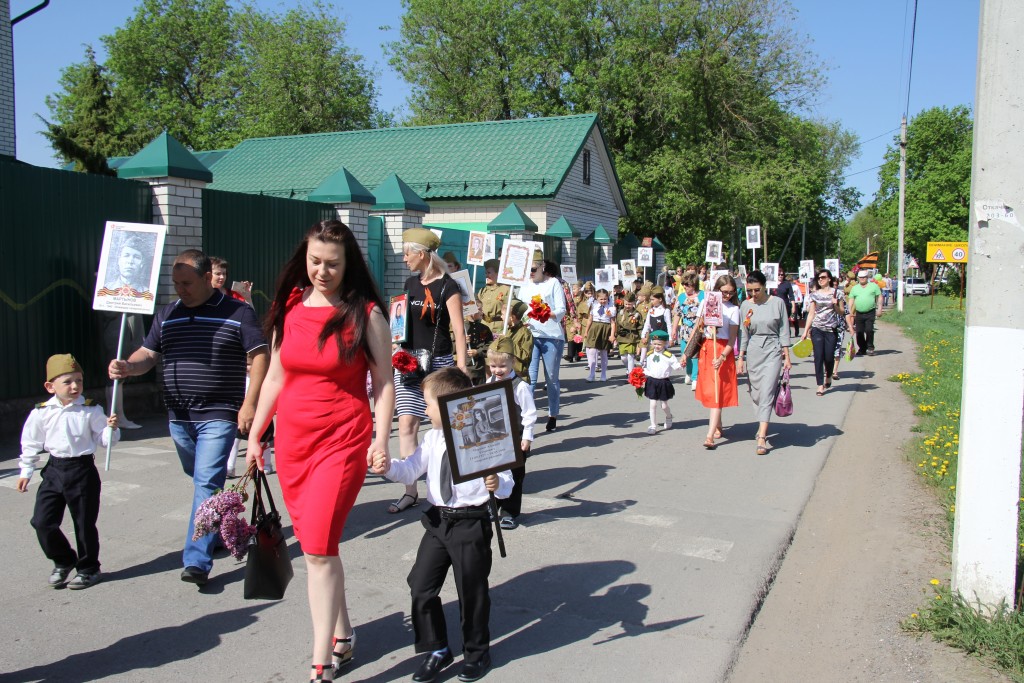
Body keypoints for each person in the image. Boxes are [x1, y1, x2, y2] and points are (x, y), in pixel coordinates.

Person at [245, 220, 394, 682]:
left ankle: (320, 660)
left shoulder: (364, 313)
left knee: (317, 550)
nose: (321, 271)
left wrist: (381, 439)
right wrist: (256, 433)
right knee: (320, 547)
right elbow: (275, 376)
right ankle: (343, 631)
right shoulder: (289, 309)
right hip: (293, 442)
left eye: (332, 264)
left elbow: (385, 383)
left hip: (342, 440)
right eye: (314, 262)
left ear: (348, 265)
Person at [109, 249, 269, 585]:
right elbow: (148, 354)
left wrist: (250, 404)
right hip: (179, 415)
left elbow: (259, 357)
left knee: (206, 482)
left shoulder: (237, 312)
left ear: (207, 278)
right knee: (199, 478)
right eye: (175, 282)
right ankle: (219, 524)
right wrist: (128, 366)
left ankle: (197, 560)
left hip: (219, 412)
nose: (180, 289)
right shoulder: (168, 313)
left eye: (187, 283)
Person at [370, 368, 512, 683]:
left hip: (470, 523)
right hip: (437, 520)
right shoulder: (432, 438)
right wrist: (387, 467)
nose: (424, 409)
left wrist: (495, 482)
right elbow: (410, 471)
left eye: (429, 404)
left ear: (449, 405)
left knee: (471, 592)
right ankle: (437, 648)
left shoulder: (482, 435)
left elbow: (506, 483)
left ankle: (477, 653)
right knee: (420, 585)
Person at [17, 354, 120, 590]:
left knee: (84, 524)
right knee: (42, 521)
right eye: (68, 382)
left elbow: (105, 440)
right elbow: (31, 442)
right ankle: (63, 560)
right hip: (54, 469)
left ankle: (88, 568)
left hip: (82, 470)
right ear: (50, 386)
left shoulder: (90, 409)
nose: (75, 386)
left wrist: (111, 429)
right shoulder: (41, 412)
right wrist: (26, 471)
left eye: (79, 381)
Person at [389, 228, 468, 514]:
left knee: (444, 426)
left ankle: (446, 484)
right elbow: (399, 325)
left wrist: (461, 369)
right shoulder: (410, 283)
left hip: (439, 365)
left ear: (422, 254)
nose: (404, 258)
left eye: (407, 253)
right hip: (409, 363)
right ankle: (410, 490)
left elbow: (459, 332)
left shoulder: (449, 286)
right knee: (408, 424)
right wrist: (394, 351)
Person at [737, 271, 792, 455]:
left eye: (757, 290)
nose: (753, 294)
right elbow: (743, 333)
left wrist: (786, 354)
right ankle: (762, 422)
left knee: (768, 390)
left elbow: (784, 329)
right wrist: (741, 358)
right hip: (753, 350)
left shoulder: (777, 303)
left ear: (764, 286)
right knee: (756, 393)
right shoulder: (745, 305)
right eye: (750, 290)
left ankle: (762, 436)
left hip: (773, 348)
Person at [487, 337, 536, 530]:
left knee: (515, 475)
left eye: (502, 366)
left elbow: (529, 413)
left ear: (512, 363)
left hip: (515, 437)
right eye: (493, 366)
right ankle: (493, 505)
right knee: (494, 473)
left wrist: (527, 436)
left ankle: (509, 512)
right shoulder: (490, 380)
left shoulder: (520, 386)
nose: (497, 370)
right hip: (494, 437)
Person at [517, 257, 566, 432]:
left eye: (533, 269)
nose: (530, 273)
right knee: (529, 379)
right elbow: (519, 308)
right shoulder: (524, 285)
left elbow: (561, 309)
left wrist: (546, 313)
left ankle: (552, 414)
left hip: (551, 335)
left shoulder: (553, 283)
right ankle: (526, 418)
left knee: (551, 378)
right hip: (530, 335)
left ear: (541, 267)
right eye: (528, 270)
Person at [695, 276, 740, 449]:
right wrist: (707, 321)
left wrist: (722, 357)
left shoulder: (734, 309)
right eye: (724, 292)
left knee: (717, 393)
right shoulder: (707, 303)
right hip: (708, 346)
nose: (727, 295)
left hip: (722, 351)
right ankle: (718, 425)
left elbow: (733, 338)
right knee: (711, 391)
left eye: (731, 292)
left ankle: (709, 435)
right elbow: (698, 328)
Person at [799, 269, 849, 396]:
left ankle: (829, 376)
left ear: (829, 279)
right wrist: (805, 331)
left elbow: (842, 312)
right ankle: (820, 384)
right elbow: (811, 313)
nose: (820, 280)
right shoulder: (814, 294)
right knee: (818, 357)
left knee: (828, 356)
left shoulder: (837, 293)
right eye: (819, 278)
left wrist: (835, 305)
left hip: (831, 329)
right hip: (817, 328)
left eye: (823, 277)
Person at [643, 330, 681, 434]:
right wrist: (643, 372)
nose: (657, 346)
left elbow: (676, 366)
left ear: (665, 343)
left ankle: (669, 417)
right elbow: (646, 366)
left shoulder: (668, 356)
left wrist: (681, 365)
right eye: (654, 344)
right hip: (652, 381)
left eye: (659, 344)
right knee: (653, 404)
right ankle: (653, 426)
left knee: (664, 405)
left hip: (663, 382)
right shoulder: (649, 354)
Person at [673, 273, 703, 388]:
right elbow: (677, 313)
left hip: (698, 330)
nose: (685, 286)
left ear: (694, 285)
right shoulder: (681, 297)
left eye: (687, 284)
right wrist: (674, 329)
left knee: (695, 355)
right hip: (685, 330)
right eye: (683, 284)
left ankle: (695, 378)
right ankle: (689, 373)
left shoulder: (702, 296)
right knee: (685, 352)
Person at [582, 287, 616, 382]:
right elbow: (590, 319)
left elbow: (613, 323)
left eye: (605, 299)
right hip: (594, 328)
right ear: (597, 298)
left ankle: (603, 374)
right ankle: (592, 374)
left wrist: (612, 335)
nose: (603, 301)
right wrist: (586, 331)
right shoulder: (594, 306)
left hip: (605, 329)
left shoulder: (611, 308)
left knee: (603, 353)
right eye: (601, 299)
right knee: (592, 351)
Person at [849, 270, 884, 356]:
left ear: (867, 278)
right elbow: (851, 299)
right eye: (860, 277)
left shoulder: (873, 286)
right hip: (859, 313)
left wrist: (879, 309)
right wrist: (849, 311)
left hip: (870, 312)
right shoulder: (855, 288)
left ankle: (870, 347)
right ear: (858, 278)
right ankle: (862, 348)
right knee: (859, 332)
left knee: (869, 330)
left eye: (864, 277)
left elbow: (879, 297)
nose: (862, 279)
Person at [476, 259, 510, 337]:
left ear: (498, 273)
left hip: (498, 329)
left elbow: (510, 311)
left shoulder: (506, 290)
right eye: (486, 273)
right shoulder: (483, 290)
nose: (486, 275)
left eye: (489, 273)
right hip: (483, 327)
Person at [464, 301, 494, 386]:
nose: (482, 312)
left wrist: (478, 352)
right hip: (466, 368)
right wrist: (462, 341)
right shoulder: (462, 328)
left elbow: (490, 345)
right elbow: (452, 348)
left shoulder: (484, 328)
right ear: (472, 311)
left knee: (480, 394)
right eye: (479, 309)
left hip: (479, 368)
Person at [639, 286, 671, 362]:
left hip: (662, 338)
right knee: (652, 356)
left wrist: (670, 339)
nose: (651, 301)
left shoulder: (665, 311)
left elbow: (669, 325)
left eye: (653, 299)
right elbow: (647, 324)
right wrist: (643, 335)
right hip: (653, 338)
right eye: (650, 300)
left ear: (660, 299)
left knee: (662, 357)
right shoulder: (651, 311)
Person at [506, 299, 534, 381]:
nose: (501, 317)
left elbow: (525, 356)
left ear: (512, 317)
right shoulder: (506, 331)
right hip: (506, 374)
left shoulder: (525, 333)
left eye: (503, 314)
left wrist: (509, 343)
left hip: (519, 376)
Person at [615, 291, 642, 373]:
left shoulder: (637, 314)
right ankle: (629, 368)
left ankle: (630, 374)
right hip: (622, 337)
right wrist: (615, 336)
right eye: (626, 304)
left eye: (629, 304)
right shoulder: (621, 313)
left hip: (632, 337)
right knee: (623, 357)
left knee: (630, 356)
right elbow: (617, 325)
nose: (627, 306)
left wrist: (641, 337)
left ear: (633, 303)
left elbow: (640, 326)